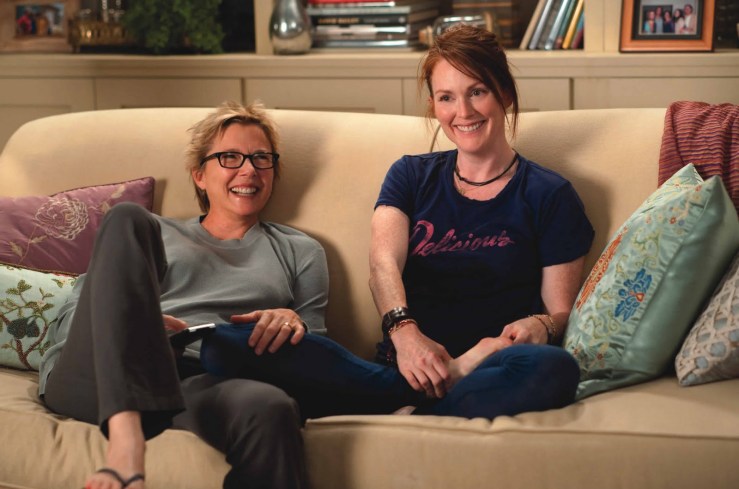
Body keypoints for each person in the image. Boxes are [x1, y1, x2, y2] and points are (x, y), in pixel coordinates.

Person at [39, 101, 328, 489]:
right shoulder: (152, 232)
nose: (249, 169)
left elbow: (321, 360)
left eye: (261, 158)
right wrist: (139, 331)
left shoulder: (300, 251)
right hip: (99, 375)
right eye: (230, 157)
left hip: (199, 379)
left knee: (270, 406)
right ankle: (125, 444)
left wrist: (294, 325)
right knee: (126, 216)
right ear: (200, 176)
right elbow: (72, 318)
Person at [368, 24, 594, 417]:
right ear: (434, 105)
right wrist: (405, 334)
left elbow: (559, 313)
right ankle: (420, 408)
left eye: (477, 91)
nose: (464, 112)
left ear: (504, 93)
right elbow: (382, 263)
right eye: (447, 97)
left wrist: (538, 327)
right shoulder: (409, 175)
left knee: (556, 368)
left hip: (490, 374)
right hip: (401, 369)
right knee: (271, 346)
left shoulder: (549, 195)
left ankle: (419, 416)